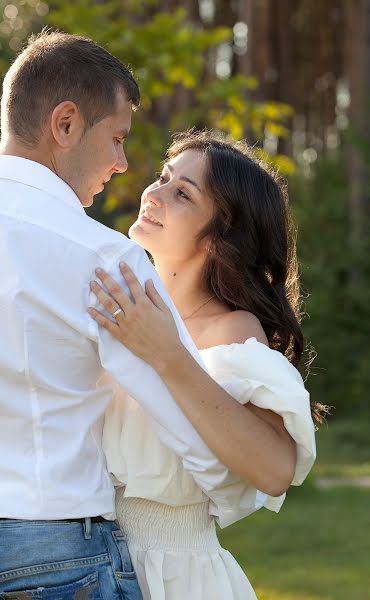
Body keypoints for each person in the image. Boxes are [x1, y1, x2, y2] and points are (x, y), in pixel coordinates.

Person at [0, 33, 249, 600]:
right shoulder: (105, 259)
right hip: (48, 555)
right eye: (118, 138)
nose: (124, 163)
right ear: (66, 125)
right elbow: (184, 421)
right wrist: (235, 490)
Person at [88, 130, 319, 599]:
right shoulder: (124, 302)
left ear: (220, 236)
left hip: (176, 574)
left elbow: (275, 469)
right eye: (163, 178)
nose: (152, 193)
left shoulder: (232, 331)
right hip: (89, 564)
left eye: (182, 193)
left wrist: (168, 354)